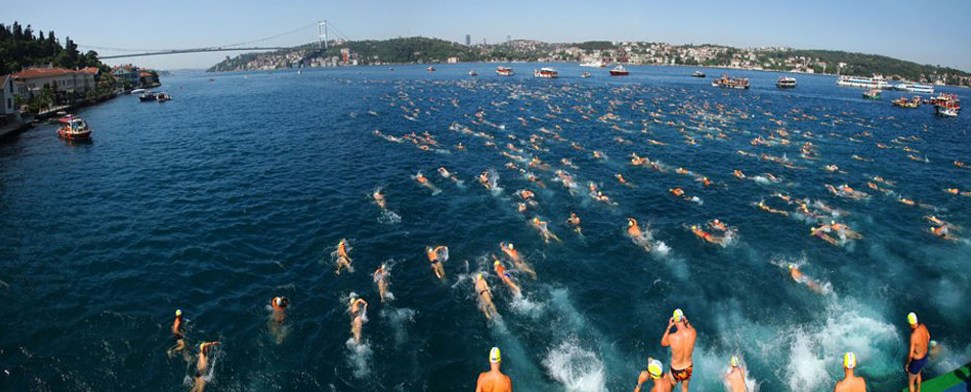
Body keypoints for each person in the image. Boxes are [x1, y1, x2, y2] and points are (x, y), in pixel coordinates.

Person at [661, 309, 697, 392]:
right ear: (683, 319)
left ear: (674, 320)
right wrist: (686, 322)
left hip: (676, 370)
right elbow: (691, 328)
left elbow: (663, 343)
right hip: (688, 368)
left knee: (669, 389)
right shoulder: (693, 332)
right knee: (685, 389)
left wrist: (669, 327)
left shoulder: (672, 337)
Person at [906, 312, 931, 392]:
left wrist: (907, 364)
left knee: (911, 382)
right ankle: (918, 390)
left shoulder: (913, 336)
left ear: (910, 324)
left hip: (916, 361)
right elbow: (928, 337)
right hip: (924, 357)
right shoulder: (923, 326)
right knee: (918, 374)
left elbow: (910, 354)